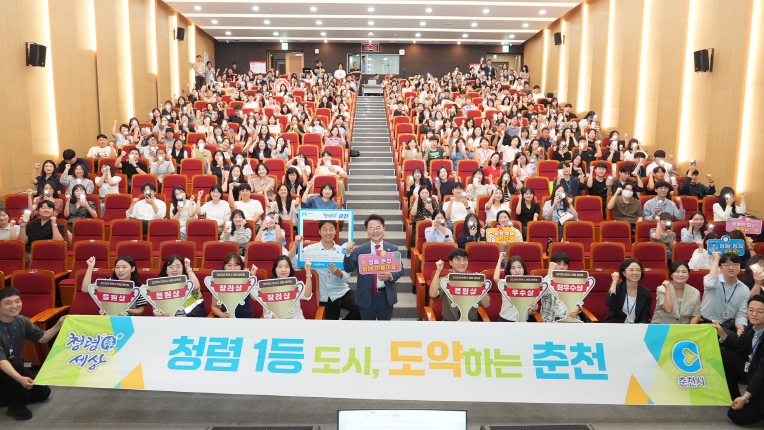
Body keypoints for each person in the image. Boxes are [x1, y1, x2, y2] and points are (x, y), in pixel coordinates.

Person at [0, 287, 64, 420]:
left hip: (11, 368)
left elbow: (42, 338)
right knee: (16, 361)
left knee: (43, 392)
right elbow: (1, 361)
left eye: (17, 301)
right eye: (8, 303)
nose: (14, 306)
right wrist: (20, 378)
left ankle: (11, 396)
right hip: (4, 366)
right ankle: (16, 405)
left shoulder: (21, 320)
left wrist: (59, 324)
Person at [289, 220, 360, 320]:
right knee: (329, 324)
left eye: (331, 229)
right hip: (323, 295)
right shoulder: (310, 250)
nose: (328, 233)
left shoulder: (342, 250)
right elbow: (291, 263)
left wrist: (339, 273)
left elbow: (346, 276)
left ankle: (342, 326)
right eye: (325, 229)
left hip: (340, 291)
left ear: (335, 231)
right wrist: (295, 245)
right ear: (319, 232)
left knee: (362, 306)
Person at [713, 295, 764, 425]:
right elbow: (739, 346)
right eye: (751, 310)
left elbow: (762, 372)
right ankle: (733, 397)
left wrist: (745, 398)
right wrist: (721, 332)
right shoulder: (752, 327)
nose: (754, 314)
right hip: (753, 369)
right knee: (726, 353)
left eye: (760, 311)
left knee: (736, 416)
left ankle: (748, 399)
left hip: (760, 376)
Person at [344, 215, 402, 321]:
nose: (375, 231)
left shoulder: (393, 249)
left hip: (386, 296)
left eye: (378, 227)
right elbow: (348, 268)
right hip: (366, 296)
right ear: (367, 231)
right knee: (367, 328)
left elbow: (400, 269)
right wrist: (348, 253)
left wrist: (390, 276)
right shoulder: (359, 251)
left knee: (384, 327)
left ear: (384, 229)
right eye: (371, 228)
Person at [429, 248, 491, 322]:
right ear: (450, 262)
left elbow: (486, 304)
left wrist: (479, 283)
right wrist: (438, 271)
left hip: (470, 323)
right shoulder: (445, 280)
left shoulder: (474, 279)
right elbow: (433, 294)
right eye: (458, 259)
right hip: (450, 323)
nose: (462, 263)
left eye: (465, 259)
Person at [702, 252, 748, 334]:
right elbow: (711, 284)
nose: (731, 268)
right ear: (720, 267)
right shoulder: (711, 280)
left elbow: (741, 313)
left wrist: (740, 328)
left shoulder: (744, 289)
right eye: (727, 265)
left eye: (735, 264)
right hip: (708, 323)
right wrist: (716, 259)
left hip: (730, 326)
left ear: (740, 267)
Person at [604, 258, 653, 323]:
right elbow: (609, 302)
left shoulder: (646, 292)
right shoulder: (617, 287)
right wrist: (614, 281)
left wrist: (640, 326)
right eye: (631, 270)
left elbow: (645, 316)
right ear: (624, 273)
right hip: (615, 325)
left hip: (636, 326)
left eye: (638, 270)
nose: (635, 273)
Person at [17, 200, 65, 265]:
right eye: (43, 207)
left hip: (47, 253)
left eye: (49, 208)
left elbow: (58, 242)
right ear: (38, 210)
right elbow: (22, 242)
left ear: (53, 211)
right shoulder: (31, 223)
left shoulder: (58, 225)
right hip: (29, 252)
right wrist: (23, 227)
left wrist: (53, 224)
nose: (46, 210)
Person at [211, 253, 258, 318]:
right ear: (224, 267)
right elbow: (214, 306)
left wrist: (253, 276)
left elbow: (255, 298)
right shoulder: (218, 282)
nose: (233, 268)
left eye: (236, 265)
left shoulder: (247, 279)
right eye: (229, 265)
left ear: (241, 267)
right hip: (227, 318)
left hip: (246, 318)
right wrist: (221, 314)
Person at [493, 254, 534, 322]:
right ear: (509, 270)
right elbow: (495, 278)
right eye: (513, 268)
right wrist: (500, 259)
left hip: (522, 321)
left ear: (524, 269)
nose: (517, 270)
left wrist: (533, 309)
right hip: (505, 320)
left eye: (519, 267)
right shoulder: (505, 283)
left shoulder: (530, 284)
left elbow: (528, 312)